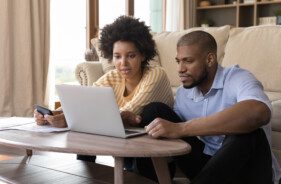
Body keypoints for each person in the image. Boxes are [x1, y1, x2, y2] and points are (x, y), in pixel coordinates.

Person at [34, 16, 175, 181]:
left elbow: (130, 110)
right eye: (117, 56)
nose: (123, 63)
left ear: (143, 55)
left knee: (90, 120)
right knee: (88, 122)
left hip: (156, 161)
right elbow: (84, 101)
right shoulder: (113, 77)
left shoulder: (156, 74)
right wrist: (52, 114)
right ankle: (85, 176)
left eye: (131, 56)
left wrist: (70, 119)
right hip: (128, 148)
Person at [140, 30, 281, 184]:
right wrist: (134, 119)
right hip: (208, 168)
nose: (180, 69)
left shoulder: (237, 78)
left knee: (250, 133)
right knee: (154, 110)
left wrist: (182, 128)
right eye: (178, 61)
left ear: (210, 59)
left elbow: (258, 112)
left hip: (246, 173)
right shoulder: (183, 93)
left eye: (188, 61)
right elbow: (172, 133)